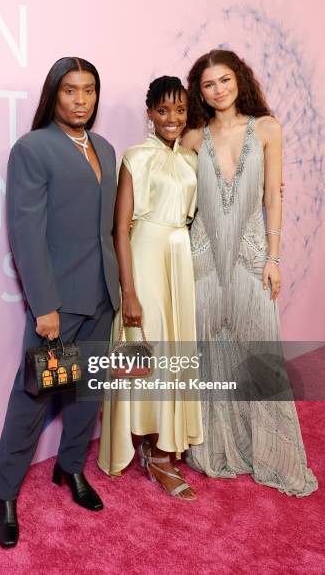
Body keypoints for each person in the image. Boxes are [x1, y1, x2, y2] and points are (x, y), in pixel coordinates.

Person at [0, 57, 120, 548]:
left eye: (89, 90)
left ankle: (70, 470)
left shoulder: (106, 149)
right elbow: (26, 233)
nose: (81, 99)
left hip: (101, 299)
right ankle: (5, 495)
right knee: (33, 398)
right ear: (55, 94)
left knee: (88, 395)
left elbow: (109, 230)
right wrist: (44, 305)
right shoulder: (33, 148)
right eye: (70, 90)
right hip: (59, 306)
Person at [181, 49, 318, 496]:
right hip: (201, 259)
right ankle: (215, 447)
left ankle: (271, 456)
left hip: (252, 256)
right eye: (208, 84)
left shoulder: (266, 129)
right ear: (198, 92)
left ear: (239, 79)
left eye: (224, 80)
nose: (218, 90)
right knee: (208, 359)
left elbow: (274, 198)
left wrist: (274, 258)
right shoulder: (193, 138)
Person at [98, 76, 203, 500]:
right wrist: (129, 291)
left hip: (179, 259)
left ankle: (162, 448)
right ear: (150, 113)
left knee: (175, 352)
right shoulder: (135, 157)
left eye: (179, 110)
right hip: (144, 257)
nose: (172, 118)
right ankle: (148, 450)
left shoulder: (192, 160)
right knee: (146, 349)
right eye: (163, 110)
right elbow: (120, 230)